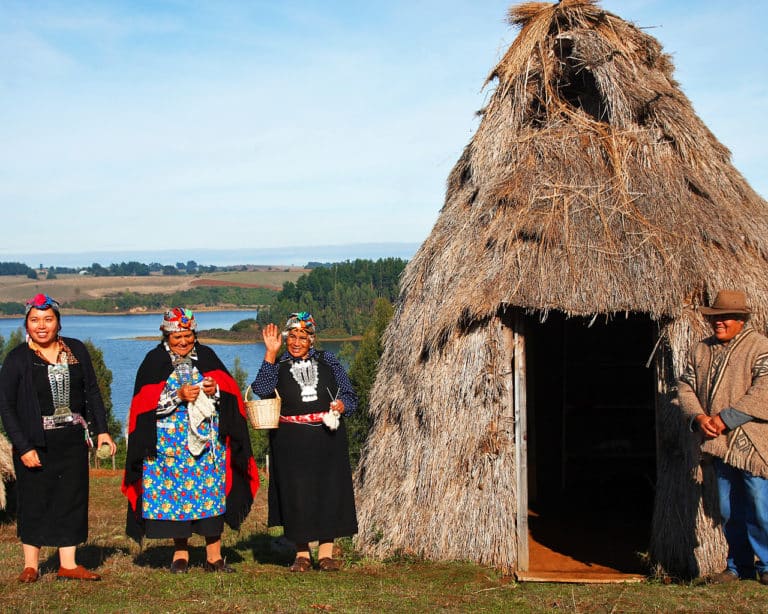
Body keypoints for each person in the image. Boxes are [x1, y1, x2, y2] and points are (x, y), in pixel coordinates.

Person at [122, 308, 259, 573]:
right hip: (168, 448)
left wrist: (215, 390)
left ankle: (214, 557)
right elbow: (143, 407)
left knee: (211, 496)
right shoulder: (153, 361)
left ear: (194, 334)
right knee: (176, 498)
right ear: (165, 336)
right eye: (177, 337)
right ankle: (180, 555)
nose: (183, 342)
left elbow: (229, 394)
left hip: (208, 448)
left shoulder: (207, 356)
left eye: (187, 336)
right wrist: (178, 397)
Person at [0, 293, 117, 583]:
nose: (42, 326)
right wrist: (23, 446)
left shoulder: (76, 350)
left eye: (48, 319)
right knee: (34, 500)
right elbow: (6, 407)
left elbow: (91, 392)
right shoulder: (17, 359)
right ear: (26, 324)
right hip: (34, 442)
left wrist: (101, 430)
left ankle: (68, 564)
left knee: (71, 498)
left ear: (58, 323)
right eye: (35, 320)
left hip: (72, 440)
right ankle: (31, 565)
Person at [250, 311, 358, 572]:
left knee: (328, 492)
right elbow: (261, 390)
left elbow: (351, 395)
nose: (296, 342)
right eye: (292, 337)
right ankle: (301, 554)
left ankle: (326, 554)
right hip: (290, 442)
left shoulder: (329, 360)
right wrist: (270, 353)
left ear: (312, 339)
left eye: (303, 337)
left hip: (327, 439)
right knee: (296, 494)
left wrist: (343, 404)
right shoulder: (278, 364)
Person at [677, 289, 768, 584]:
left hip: (751, 444)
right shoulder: (700, 350)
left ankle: (766, 566)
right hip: (717, 443)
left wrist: (725, 419)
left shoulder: (759, 347)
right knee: (729, 509)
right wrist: (699, 417)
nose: (719, 323)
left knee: (760, 505)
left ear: (741, 320)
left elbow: (764, 390)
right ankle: (738, 566)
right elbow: (685, 388)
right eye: (715, 318)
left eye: (726, 318)